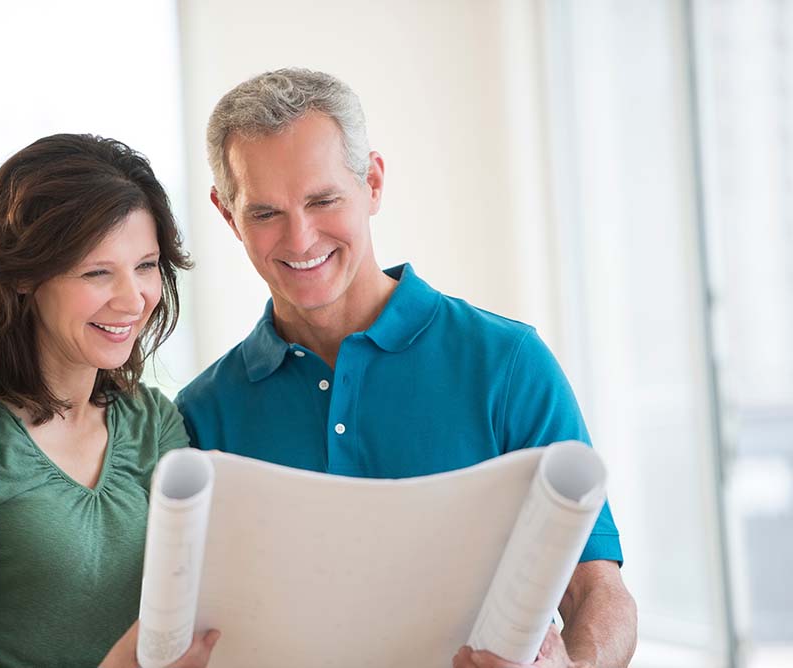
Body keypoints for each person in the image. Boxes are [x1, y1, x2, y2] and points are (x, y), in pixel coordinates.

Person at [175, 68, 638, 667]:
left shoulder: (507, 363)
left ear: (371, 183)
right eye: (265, 213)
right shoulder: (203, 414)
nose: (300, 237)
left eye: (323, 200)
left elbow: (598, 589)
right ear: (227, 213)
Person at [0, 134, 219, 668]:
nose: (133, 299)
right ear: (22, 276)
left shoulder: (155, 422)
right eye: (97, 272)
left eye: (147, 265)